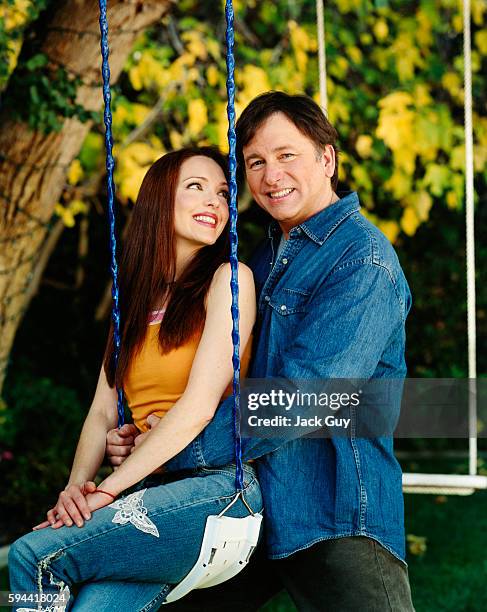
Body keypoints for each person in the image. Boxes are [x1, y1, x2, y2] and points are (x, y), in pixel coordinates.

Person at [108, 91, 415, 611]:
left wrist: (172, 452)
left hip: (332, 510)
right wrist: (148, 431)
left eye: (286, 155)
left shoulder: (363, 262)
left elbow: (303, 399)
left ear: (327, 158)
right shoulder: (265, 254)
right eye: (256, 162)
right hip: (251, 501)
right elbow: (218, 377)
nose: (271, 175)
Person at [8, 147, 262, 611]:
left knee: (32, 556)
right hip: (149, 489)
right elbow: (103, 409)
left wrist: (109, 488)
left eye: (223, 192)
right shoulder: (134, 302)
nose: (215, 202)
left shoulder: (228, 279)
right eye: (196, 187)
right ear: (158, 200)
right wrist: (76, 489)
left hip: (214, 490)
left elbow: (200, 405)